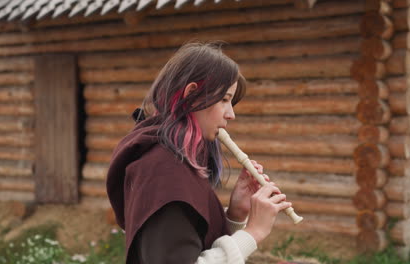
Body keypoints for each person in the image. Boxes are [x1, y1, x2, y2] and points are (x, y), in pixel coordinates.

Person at [106, 42, 292, 264]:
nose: (231, 114)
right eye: (224, 100)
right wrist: (253, 233)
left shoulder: (175, 163)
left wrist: (235, 215)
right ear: (192, 95)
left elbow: (193, 246)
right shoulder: (164, 170)